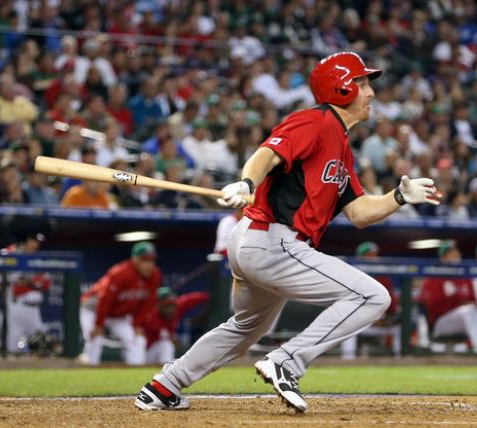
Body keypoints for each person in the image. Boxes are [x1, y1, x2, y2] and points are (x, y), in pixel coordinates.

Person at [135, 52, 440, 413]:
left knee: (245, 328)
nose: (370, 92)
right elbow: (266, 154)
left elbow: (359, 213)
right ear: (341, 88)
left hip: (260, 244)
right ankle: (288, 361)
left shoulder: (341, 147)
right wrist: (247, 181)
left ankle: (164, 386)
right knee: (373, 297)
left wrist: (399, 196)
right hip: (272, 240)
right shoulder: (316, 121)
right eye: (362, 83)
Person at [80, 242, 161, 366]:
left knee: (137, 340)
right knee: (95, 338)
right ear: (135, 259)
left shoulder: (154, 275)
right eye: (145, 260)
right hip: (94, 309)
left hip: (118, 316)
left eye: (151, 260)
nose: (149, 265)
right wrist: (99, 324)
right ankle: (89, 368)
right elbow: (105, 299)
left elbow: (148, 304)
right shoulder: (120, 273)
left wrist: (137, 324)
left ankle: (136, 374)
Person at [420, 240, 477, 354]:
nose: (456, 256)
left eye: (456, 253)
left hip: (462, 319)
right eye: (451, 253)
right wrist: (458, 304)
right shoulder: (434, 277)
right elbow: (432, 306)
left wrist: (465, 304)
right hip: (440, 324)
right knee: (468, 311)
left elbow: (473, 300)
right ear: (443, 257)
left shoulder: (465, 276)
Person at [340, 242, 401, 358]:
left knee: (400, 327)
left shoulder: (383, 277)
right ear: (360, 258)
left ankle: (401, 360)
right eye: (368, 255)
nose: (373, 258)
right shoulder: (351, 276)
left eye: (374, 255)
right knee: (346, 325)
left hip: (379, 321)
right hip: (359, 321)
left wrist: (386, 317)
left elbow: (392, 306)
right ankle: (347, 360)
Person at [0, 232, 51, 353]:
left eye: (38, 243)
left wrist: (25, 282)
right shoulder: (9, 254)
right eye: (34, 241)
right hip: (15, 308)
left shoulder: (37, 258)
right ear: (25, 241)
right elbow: (0, 284)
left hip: (34, 311)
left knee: (43, 344)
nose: (36, 245)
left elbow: (46, 283)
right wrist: (30, 283)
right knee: (11, 349)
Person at [143, 287, 210, 365]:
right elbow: (166, 336)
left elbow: (197, 297)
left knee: (169, 349)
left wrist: (208, 297)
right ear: (159, 307)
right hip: (148, 353)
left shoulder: (178, 305)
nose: (170, 309)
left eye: (171, 305)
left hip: (162, 355)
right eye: (166, 306)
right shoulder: (152, 317)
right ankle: (166, 369)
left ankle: (168, 366)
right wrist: (172, 337)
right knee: (166, 344)